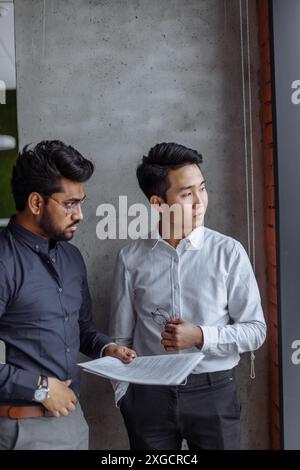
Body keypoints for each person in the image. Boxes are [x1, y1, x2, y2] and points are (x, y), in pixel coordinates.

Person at [109, 142, 266, 450]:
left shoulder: (229, 253)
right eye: (186, 194)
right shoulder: (131, 259)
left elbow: (256, 331)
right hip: (148, 396)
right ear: (158, 202)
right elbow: (120, 338)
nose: (200, 202)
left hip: (214, 392)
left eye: (202, 189)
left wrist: (200, 336)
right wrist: (123, 394)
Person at [0, 140, 135, 450]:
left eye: (82, 203)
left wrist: (107, 348)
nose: (80, 215)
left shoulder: (72, 258)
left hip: (74, 420)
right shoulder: (4, 262)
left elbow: (83, 329)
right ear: (36, 203)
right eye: (70, 204)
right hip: (23, 428)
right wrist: (41, 388)